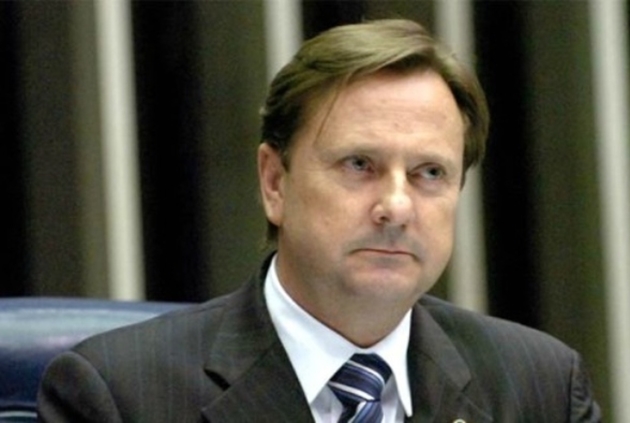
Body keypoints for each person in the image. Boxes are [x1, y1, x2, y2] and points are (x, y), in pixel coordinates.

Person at [38, 19, 601, 422]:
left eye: (429, 173)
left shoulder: (540, 386)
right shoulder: (118, 395)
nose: (397, 206)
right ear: (274, 182)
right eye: (360, 165)